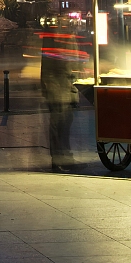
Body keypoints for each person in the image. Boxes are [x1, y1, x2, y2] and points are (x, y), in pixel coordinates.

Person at [40, 29, 81, 172]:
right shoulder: (54, 39)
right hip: (57, 89)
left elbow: (72, 63)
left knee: (65, 125)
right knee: (58, 126)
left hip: (65, 88)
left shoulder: (66, 37)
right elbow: (54, 67)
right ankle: (59, 160)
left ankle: (66, 158)